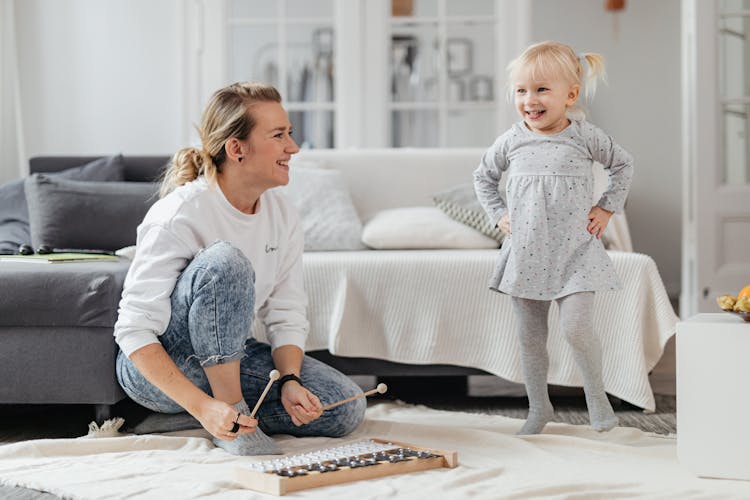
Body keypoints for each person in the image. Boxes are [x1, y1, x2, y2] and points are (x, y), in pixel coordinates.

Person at [113, 82, 366, 455]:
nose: (292, 148)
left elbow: (286, 312)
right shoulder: (181, 213)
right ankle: (219, 413)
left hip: (231, 355)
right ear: (236, 149)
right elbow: (133, 331)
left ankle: (190, 417)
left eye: (290, 134)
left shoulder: (282, 214)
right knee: (225, 261)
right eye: (279, 136)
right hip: (162, 366)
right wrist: (205, 404)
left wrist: (291, 381)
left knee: (341, 406)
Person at [473, 41, 633, 435]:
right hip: (526, 253)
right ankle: (538, 408)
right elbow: (483, 178)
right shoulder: (511, 140)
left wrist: (607, 207)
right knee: (530, 338)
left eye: (542, 89)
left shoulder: (585, 136)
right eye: (522, 91)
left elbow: (623, 165)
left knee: (576, 328)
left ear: (570, 95)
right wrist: (499, 215)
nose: (530, 100)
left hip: (575, 252)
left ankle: (597, 400)